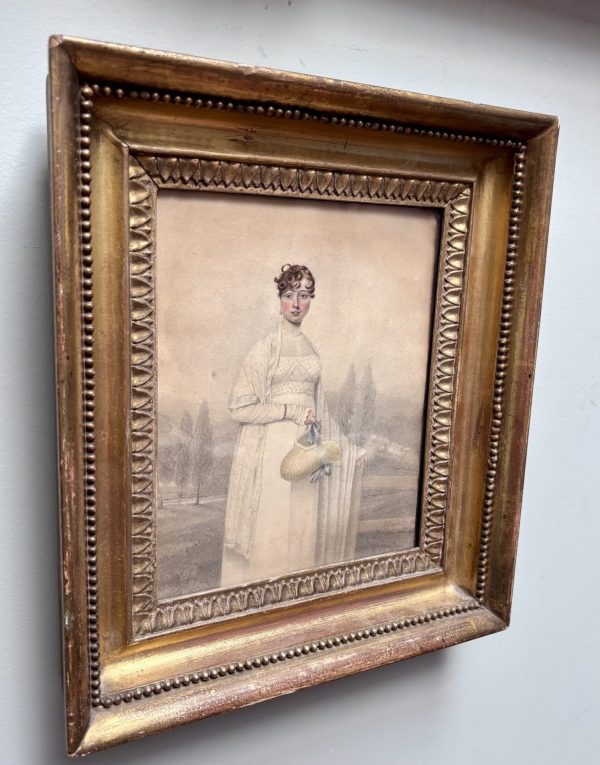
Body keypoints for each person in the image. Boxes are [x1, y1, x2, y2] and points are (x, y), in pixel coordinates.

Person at [220, 264, 366, 587]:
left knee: (302, 531)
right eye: (288, 295)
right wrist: (289, 410)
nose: (296, 303)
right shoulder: (265, 349)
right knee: (272, 533)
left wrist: (351, 450)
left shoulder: (311, 351)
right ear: (280, 300)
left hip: (306, 453)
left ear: (311, 299)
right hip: (271, 453)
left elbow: (322, 411)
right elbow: (239, 408)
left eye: (303, 295)